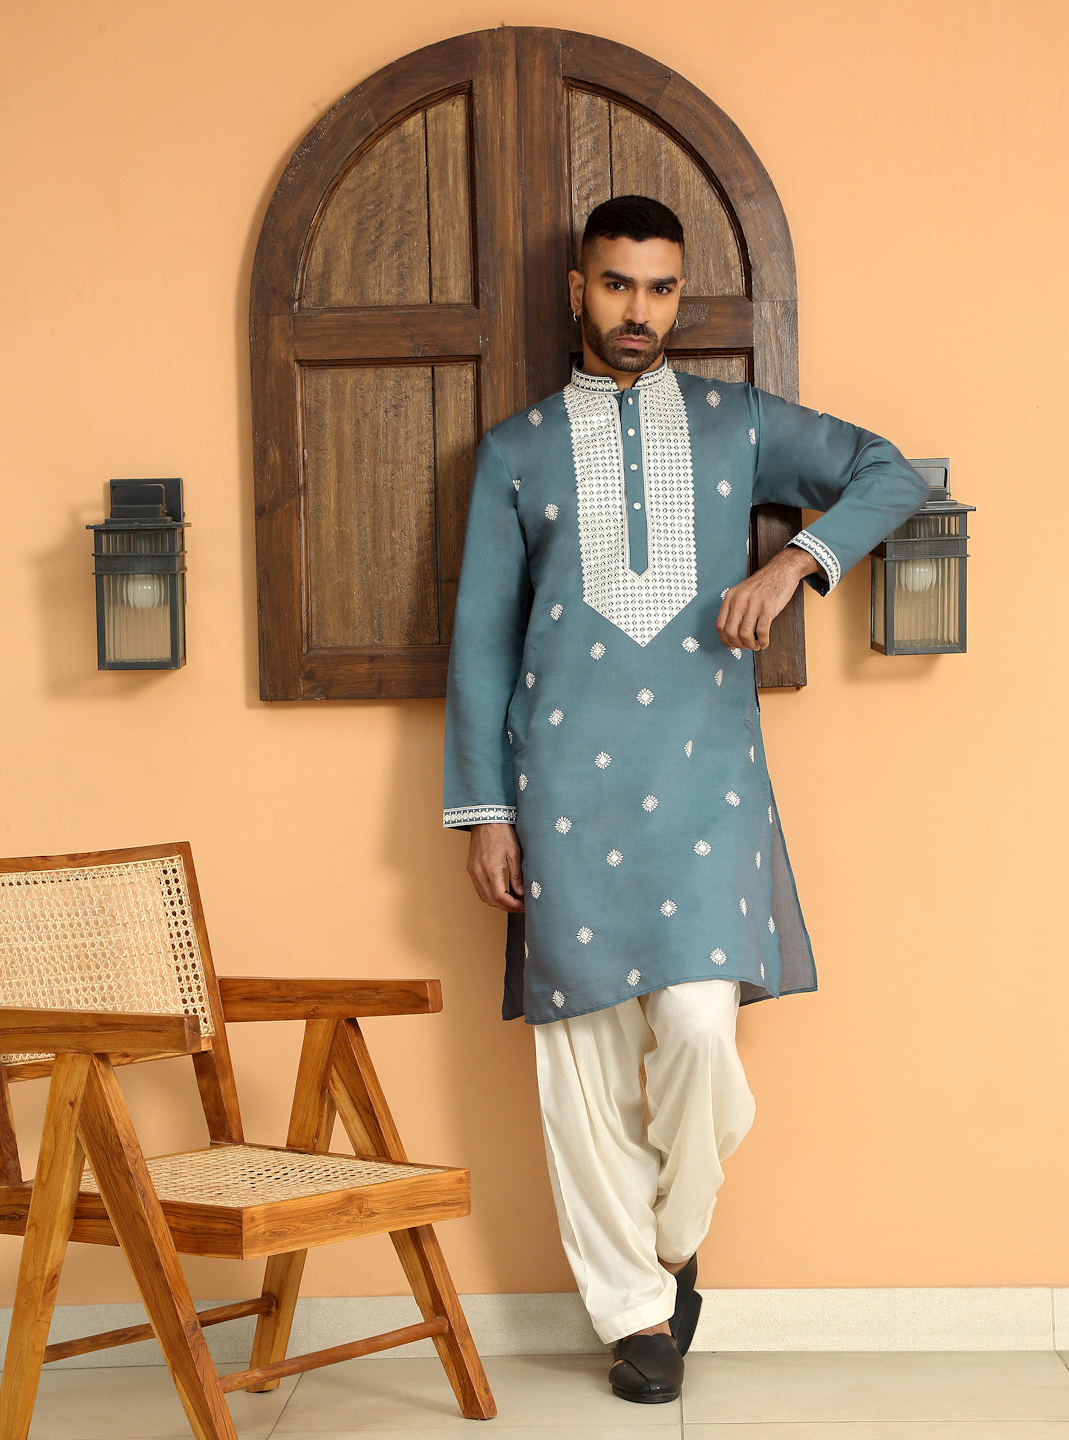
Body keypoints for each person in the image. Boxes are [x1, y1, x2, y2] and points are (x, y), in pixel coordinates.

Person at [443, 196, 927, 1404]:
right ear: (578, 290)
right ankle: (634, 1320)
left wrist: (796, 560)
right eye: (617, 285)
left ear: (679, 297)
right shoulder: (516, 451)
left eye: (659, 289)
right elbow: (482, 646)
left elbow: (889, 472)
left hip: (706, 783)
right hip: (560, 788)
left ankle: (669, 1242)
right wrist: (483, 810)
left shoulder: (736, 424)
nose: (639, 312)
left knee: (702, 1032)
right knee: (584, 1069)